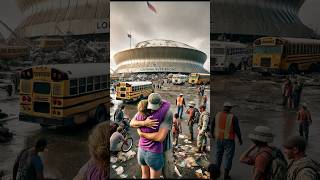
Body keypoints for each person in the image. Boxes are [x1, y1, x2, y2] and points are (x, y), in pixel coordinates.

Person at [130, 93, 175, 178]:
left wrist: (141, 132)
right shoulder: (164, 114)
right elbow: (160, 138)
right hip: (154, 153)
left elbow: (131, 123)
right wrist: (144, 123)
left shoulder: (140, 114)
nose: (152, 110)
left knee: (144, 176)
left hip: (141, 150)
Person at [211, 102, 243, 179]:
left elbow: (212, 124)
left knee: (218, 156)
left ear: (223, 107)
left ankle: (216, 174)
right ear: (230, 108)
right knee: (228, 157)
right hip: (229, 140)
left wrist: (212, 134)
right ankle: (226, 175)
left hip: (219, 139)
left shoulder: (218, 115)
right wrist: (240, 138)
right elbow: (237, 129)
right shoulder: (233, 117)